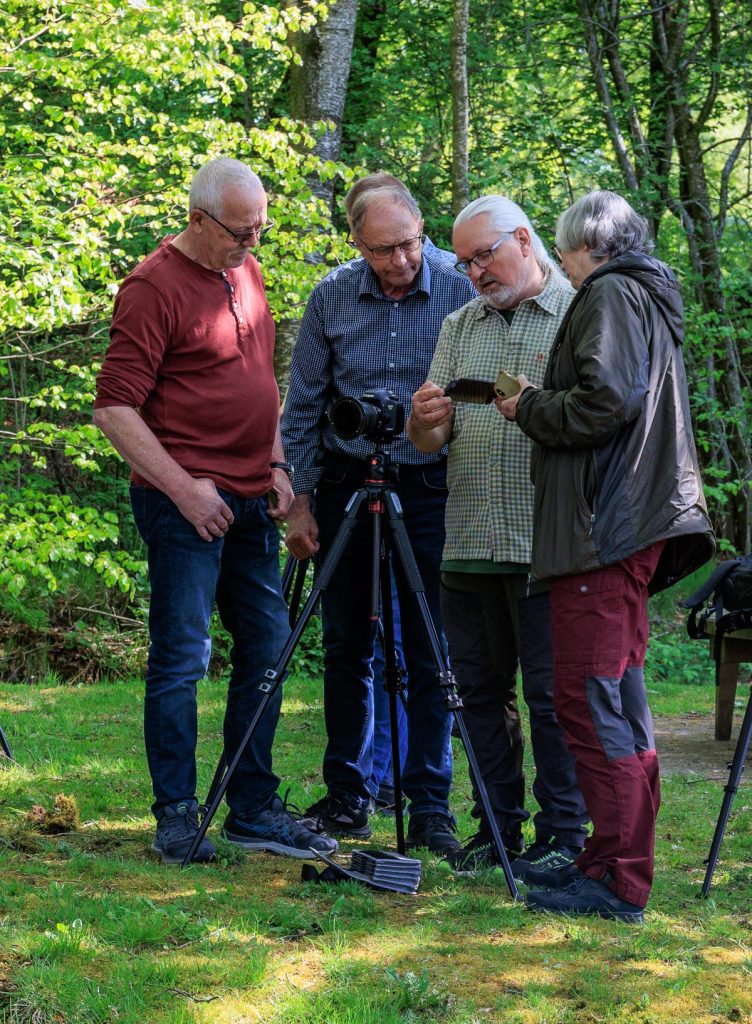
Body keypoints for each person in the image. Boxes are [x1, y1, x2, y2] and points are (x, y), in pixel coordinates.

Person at [93, 157, 338, 864]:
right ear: (198, 220)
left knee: (268, 641)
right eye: (240, 231)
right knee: (182, 656)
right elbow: (113, 407)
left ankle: (253, 806)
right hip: (184, 504)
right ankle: (176, 813)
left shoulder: (245, 271)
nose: (252, 244)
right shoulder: (151, 287)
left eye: (260, 229)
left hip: (251, 497)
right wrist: (183, 488)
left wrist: (279, 465)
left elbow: (257, 383)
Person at [500, 189, 715, 921]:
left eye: (563, 250)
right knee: (612, 699)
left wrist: (527, 404)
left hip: (603, 530)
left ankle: (620, 881)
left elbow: (604, 402)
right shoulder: (643, 295)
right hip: (623, 527)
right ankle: (608, 859)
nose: (561, 262)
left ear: (587, 246)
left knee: (589, 703)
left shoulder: (611, 294)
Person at [281, 180, 477, 853]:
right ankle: (348, 794)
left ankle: (430, 806)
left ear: (425, 231)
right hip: (345, 483)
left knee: (430, 645)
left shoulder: (458, 287)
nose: (401, 260)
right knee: (346, 645)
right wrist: (299, 500)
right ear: (356, 244)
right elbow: (303, 403)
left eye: (411, 243)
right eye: (384, 249)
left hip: (430, 485)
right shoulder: (332, 296)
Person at [408, 195, 589, 877]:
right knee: (480, 697)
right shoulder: (458, 324)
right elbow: (430, 439)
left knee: (550, 699)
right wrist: (424, 417)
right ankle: (495, 830)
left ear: (523, 239)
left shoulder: (578, 311)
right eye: (465, 262)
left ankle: (564, 833)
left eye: (485, 255)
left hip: (547, 547)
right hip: (469, 541)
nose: (476, 271)